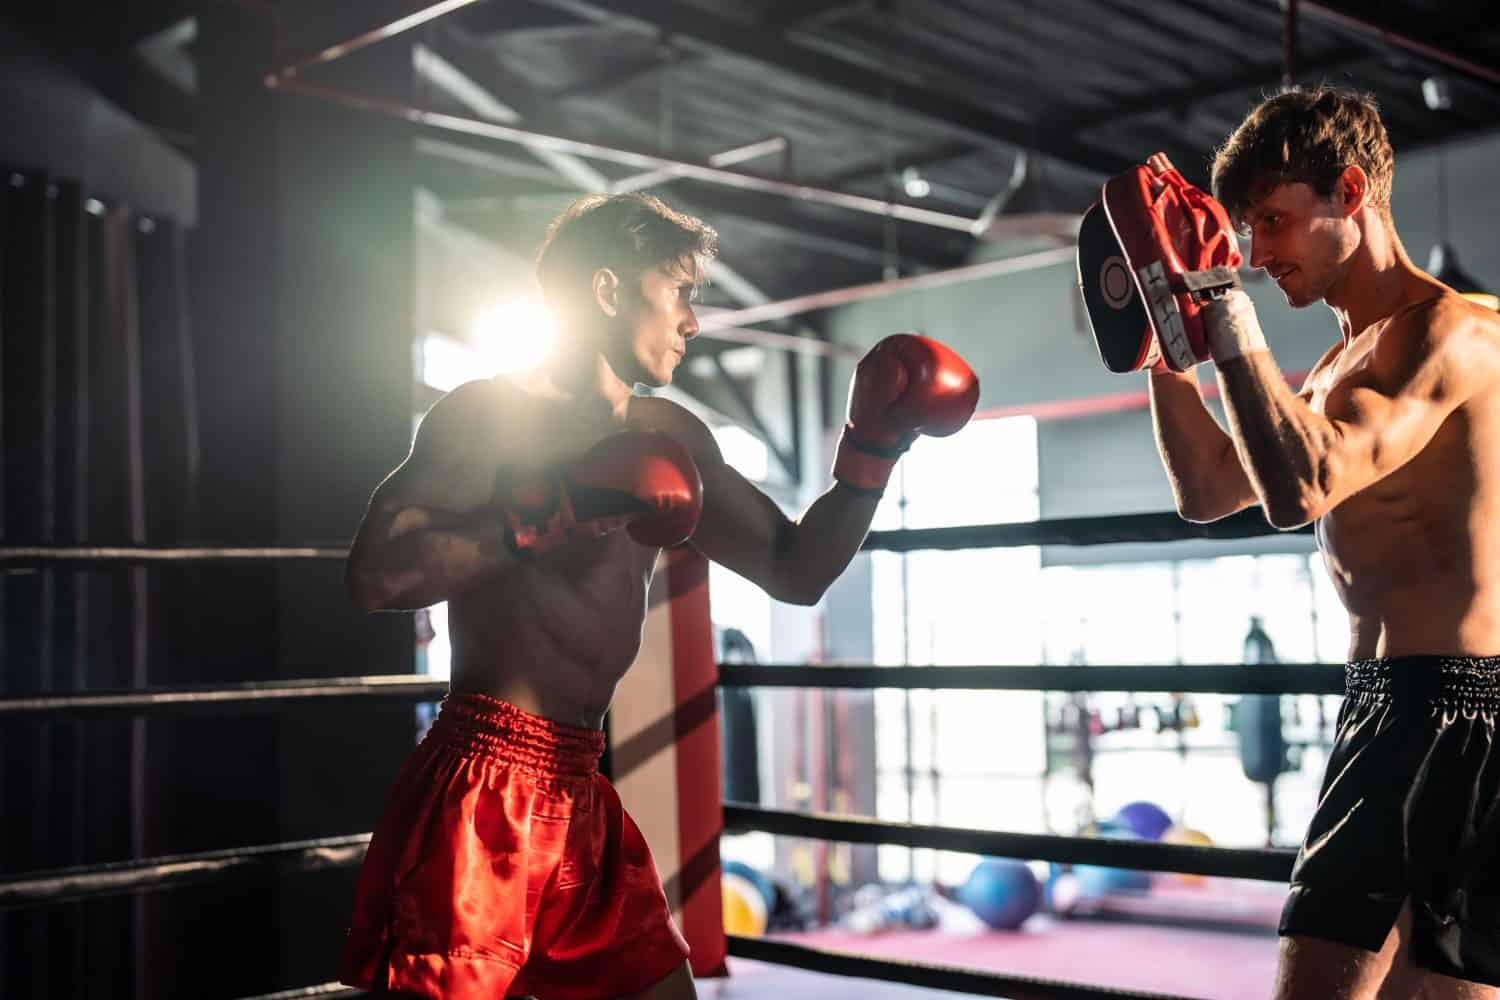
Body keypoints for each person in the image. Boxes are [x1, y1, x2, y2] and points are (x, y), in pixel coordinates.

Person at [337, 192, 979, 999]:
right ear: (608, 291)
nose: (693, 321)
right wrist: (545, 516)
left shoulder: (673, 437)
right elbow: (376, 576)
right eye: (680, 292)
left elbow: (796, 568)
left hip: (582, 792)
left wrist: (870, 453)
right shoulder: (490, 418)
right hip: (483, 784)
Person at [1081, 87, 1500, 998]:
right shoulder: (1334, 367)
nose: (1256, 253)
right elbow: (1208, 489)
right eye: (1245, 230)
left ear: (1351, 192)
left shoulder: (1454, 330)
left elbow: (1303, 484)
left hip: (1462, 715)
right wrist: (1166, 343)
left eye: (1273, 223)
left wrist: (1224, 305)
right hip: (1387, 706)